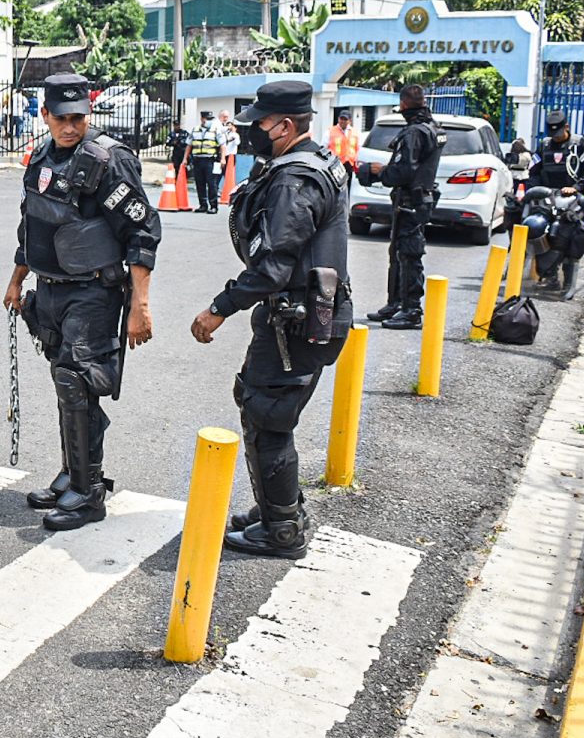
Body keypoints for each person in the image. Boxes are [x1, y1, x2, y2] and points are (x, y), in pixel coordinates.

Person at [189, 79, 352, 560]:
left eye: (257, 123)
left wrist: (218, 309)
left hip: (298, 322)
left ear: (283, 126)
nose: (249, 131)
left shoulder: (294, 180)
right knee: (261, 403)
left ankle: (281, 529)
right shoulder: (315, 162)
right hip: (305, 314)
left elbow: (273, 266)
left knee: (267, 415)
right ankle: (278, 508)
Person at [3, 72, 159, 531]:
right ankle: (72, 472)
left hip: (93, 291)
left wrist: (140, 306)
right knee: (64, 381)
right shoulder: (41, 156)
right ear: (45, 115)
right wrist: (17, 280)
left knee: (78, 382)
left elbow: (142, 232)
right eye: (61, 118)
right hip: (51, 287)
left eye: (78, 118)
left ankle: (89, 493)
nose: (70, 126)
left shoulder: (107, 159)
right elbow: (31, 226)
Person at [357, 85, 444, 331]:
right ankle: (396, 303)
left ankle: (411, 310)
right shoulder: (432, 127)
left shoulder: (415, 132)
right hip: (415, 199)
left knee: (409, 254)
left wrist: (379, 171)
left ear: (404, 104)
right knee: (398, 253)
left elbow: (402, 172)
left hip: (411, 201)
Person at [533, 110, 584, 195]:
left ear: (566, 127)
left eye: (558, 134)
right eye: (553, 134)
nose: (556, 137)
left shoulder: (580, 145)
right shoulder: (544, 146)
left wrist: (576, 187)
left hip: (573, 196)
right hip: (547, 195)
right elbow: (534, 172)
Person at [187, 111, 223, 213]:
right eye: (207, 119)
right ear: (202, 119)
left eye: (211, 119)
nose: (209, 121)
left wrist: (223, 159)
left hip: (210, 160)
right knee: (200, 183)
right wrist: (185, 159)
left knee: (212, 184)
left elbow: (222, 145)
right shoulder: (195, 130)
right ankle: (203, 205)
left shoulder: (215, 130)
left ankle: (213, 206)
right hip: (197, 160)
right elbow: (189, 145)